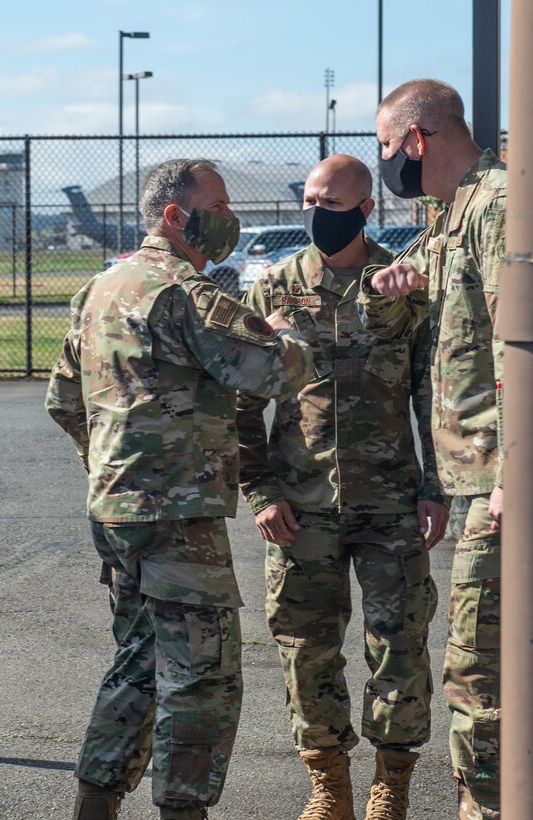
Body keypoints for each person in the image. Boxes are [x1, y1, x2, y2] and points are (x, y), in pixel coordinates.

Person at [45, 157, 313, 820]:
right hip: (177, 517)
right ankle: (182, 810)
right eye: (218, 205)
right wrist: (288, 335)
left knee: (138, 663)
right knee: (203, 679)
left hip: (117, 511)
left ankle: (95, 801)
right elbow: (269, 372)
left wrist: (112, 462)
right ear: (175, 215)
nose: (230, 219)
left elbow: (62, 399)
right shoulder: (183, 290)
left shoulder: (101, 288)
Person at [236, 153, 448, 820]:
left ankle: (394, 781)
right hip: (302, 506)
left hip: (390, 503)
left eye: (328, 202)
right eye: (307, 199)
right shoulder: (274, 287)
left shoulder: (404, 286)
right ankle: (328, 783)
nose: (313, 213)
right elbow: (242, 400)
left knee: (401, 644)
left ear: (363, 209)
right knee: (305, 648)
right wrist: (259, 490)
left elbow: (429, 393)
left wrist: (435, 486)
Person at [358, 79, 505, 820]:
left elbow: (521, 347)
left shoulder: (500, 204)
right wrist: (398, 281)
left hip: (504, 482)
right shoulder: (452, 214)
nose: (385, 159)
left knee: (478, 673)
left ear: (417, 139)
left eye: (385, 145)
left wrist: (516, 476)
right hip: (476, 479)